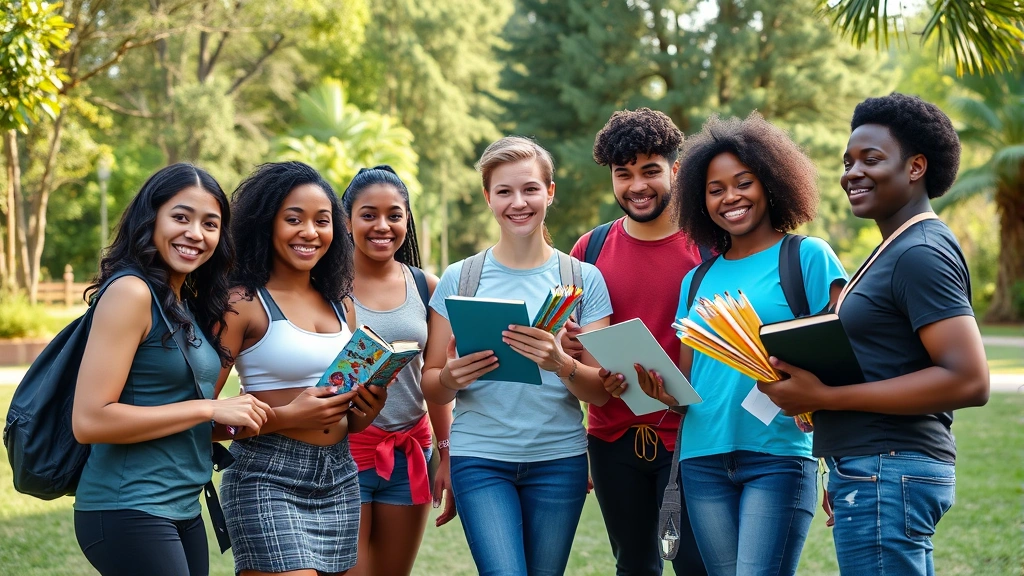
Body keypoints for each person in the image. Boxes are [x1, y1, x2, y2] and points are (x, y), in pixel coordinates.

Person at [757, 93, 989, 576]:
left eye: (871, 159)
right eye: (847, 161)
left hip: (888, 468)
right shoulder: (894, 247)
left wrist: (827, 397)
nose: (851, 173)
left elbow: (968, 380)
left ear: (916, 166)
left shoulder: (919, 252)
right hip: (873, 467)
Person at [635, 113, 847, 576]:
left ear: (770, 183)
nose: (730, 197)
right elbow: (690, 387)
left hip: (779, 454)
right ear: (698, 199)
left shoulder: (807, 257)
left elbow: (843, 365)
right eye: (715, 189)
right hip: (702, 458)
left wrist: (841, 464)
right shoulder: (697, 279)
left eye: (743, 182)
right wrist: (662, 393)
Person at [421, 136, 619, 576]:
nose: (518, 203)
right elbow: (430, 382)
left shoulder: (583, 279)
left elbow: (601, 395)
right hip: (481, 459)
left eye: (530, 189)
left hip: (559, 460)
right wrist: (452, 377)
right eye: (504, 191)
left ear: (550, 192)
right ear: (488, 197)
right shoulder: (461, 278)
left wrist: (561, 363)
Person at [71, 163, 272, 576]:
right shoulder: (131, 292)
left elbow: (168, 406)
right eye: (181, 217)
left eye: (210, 224)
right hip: (127, 506)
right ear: (152, 219)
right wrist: (209, 410)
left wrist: (240, 418)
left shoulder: (181, 303)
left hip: (182, 506)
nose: (195, 233)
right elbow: (90, 420)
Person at [215, 161, 387, 576]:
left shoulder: (340, 302)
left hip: (340, 475)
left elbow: (343, 416)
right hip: (266, 477)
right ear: (265, 225)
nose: (310, 232)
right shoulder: (240, 303)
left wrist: (367, 409)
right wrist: (287, 417)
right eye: (294, 219)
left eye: (322, 221)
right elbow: (197, 420)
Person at [562, 107, 707, 575]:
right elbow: (572, 348)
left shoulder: (708, 247)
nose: (637, 186)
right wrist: (570, 345)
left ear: (676, 171)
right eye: (623, 175)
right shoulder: (591, 249)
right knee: (634, 565)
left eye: (650, 171)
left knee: (694, 565)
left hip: (690, 436)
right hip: (611, 439)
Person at [341, 166, 455, 576]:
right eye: (368, 214)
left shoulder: (426, 285)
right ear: (347, 220)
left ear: (407, 219)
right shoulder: (325, 287)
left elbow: (434, 380)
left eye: (395, 214)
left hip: (410, 453)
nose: (382, 226)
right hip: (343, 454)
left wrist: (446, 455)